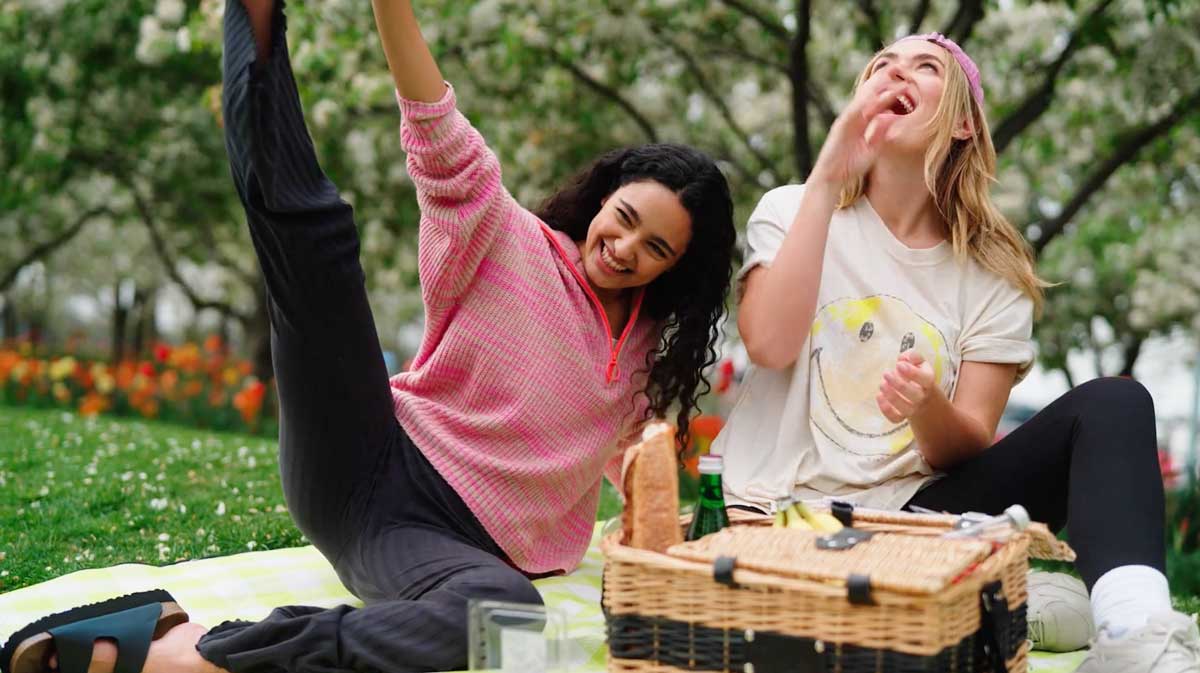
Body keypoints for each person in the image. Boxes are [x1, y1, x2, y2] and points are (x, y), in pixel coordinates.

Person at [0, 1, 735, 672]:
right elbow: (433, 116)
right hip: (369, 459)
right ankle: (257, 27)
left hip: (431, 550)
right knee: (319, 244)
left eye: (656, 248)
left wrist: (702, 530)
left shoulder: (648, 357)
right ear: (604, 198)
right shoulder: (505, 234)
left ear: (676, 269)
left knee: (507, 614)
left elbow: (636, 467)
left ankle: (190, 649)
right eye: (624, 218)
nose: (625, 248)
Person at [713, 32, 1200, 673]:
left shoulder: (994, 270)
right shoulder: (793, 207)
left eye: (924, 67)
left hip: (920, 522)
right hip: (780, 517)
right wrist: (827, 177)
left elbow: (965, 442)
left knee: (1116, 403)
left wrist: (926, 407)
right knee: (1050, 612)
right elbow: (770, 346)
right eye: (882, 66)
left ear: (965, 123)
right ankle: (1001, 598)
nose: (896, 74)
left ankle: (1139, 640)